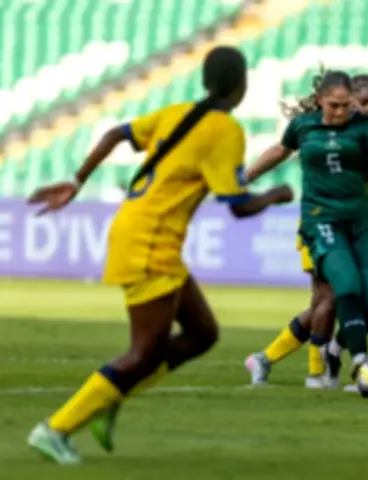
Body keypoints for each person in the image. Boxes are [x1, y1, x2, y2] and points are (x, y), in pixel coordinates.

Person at [25, 46, 294, 465]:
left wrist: (78, 180)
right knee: (143, 352)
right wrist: (277, 193)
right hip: (150, 242)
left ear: (207, 81)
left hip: (140, 231)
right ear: (242, 86)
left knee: (202, 333)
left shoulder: (178, 113)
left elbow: (117, 133)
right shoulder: (224, 130)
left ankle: (116, 391)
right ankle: (55, 428)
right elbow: (238, 205)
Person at [244, 73, 368, 389]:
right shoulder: (311, 128)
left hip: (360, 224)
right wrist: (245, 177)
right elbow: (279, 151)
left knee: (349, 304)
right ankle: (324, 371)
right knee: (331, 296)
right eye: (361, 102)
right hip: (320, 221)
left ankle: (270, 358)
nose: (364, 108)